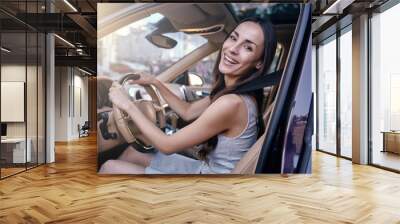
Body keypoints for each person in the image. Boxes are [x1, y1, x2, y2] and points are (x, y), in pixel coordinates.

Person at [99, 17, 277, 174]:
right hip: (206, 169)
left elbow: (167, 145)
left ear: (259, 62)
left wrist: (127, 105)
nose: (233, 49)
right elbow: (188, 111)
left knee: (109, 167)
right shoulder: (234, 94)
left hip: (210, 189)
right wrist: (155, 82)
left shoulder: (232, 103)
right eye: (233, 38)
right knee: (133, 153)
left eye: (247, 47)